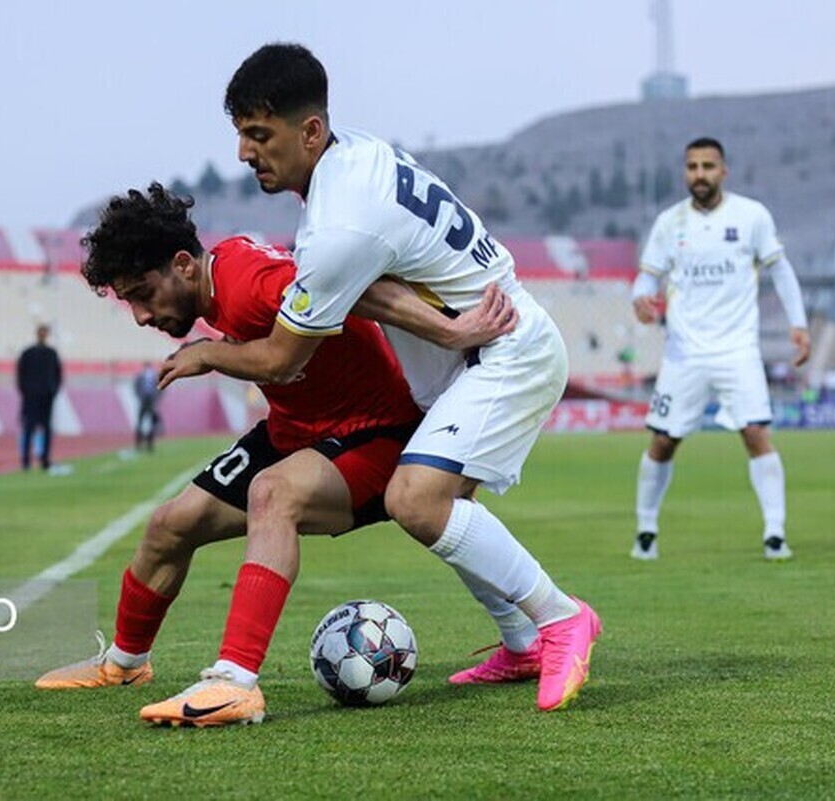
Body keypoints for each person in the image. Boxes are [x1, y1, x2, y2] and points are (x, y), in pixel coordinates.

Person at [152, 43, 601, 719]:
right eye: (241, 134)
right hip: (473, 348)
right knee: (452, 507)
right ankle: (521, 641)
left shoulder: (337, 221)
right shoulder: (355, 157)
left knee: (416, 500)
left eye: (258, 135)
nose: (245, 153)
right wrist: (445, 331)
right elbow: (369, 281)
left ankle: (561, 618)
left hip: (506, 349)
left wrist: (210, 355)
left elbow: (281, 360)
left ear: (309, 131)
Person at [35, 184, 517, 727]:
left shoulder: (249, 282)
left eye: (144, 293)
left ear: (183, 265)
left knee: (274, 495)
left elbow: (356, 291)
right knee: (172, 524)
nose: (142, 315)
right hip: (296, 430)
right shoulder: (223, 287)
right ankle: (123, 664)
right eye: (130, 302)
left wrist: (453, 331)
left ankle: (235, 682)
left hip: (375, 433)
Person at [630, 137, 810, 562]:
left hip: (737, 350)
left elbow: (781, 272)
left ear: (723, 171)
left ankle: (775, 533)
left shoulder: (751, 217)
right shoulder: (669, 222)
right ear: (685, 172)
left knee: (755, 433)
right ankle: (646, 532)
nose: (700, 174)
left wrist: (798, 324)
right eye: (692, 167)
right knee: (663, 442)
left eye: (708, 166)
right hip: (684, 353)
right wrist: (640, 297)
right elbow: (646, 277)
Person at [16, 324, 63, 471]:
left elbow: (58, 374)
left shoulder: (52, 353)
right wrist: (25, 391)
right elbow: (20, 375)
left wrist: (53, 391)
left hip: (46, 396)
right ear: (37, 334)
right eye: (41, 332)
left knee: (46, 428)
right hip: (30, 396)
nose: (43, 335)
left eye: (45, 332)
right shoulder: (27, 353)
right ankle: (25, 461)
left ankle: (45, 459)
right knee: (29, 427)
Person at [133, 362, 161, 452]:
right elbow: (136, 387)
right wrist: (140, 397)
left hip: (151, 402)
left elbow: (160, 388)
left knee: (151, 423)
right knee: (140, 422)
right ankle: (139, 444)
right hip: (143, 401)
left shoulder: (154, 377)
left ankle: (150, 445)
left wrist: (156, 398)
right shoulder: (140, 377)